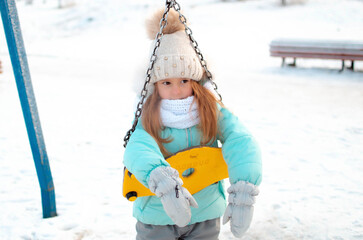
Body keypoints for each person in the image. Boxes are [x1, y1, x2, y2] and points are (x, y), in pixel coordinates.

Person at [123, 9, 262, 240]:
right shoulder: (148, 116)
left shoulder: (210, 111)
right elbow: (138, 148)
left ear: (195, 81)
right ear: (155, 86)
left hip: (205, 214)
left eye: (184, 81)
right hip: (156, 216)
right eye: (167, 82)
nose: (177, 90)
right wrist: (164, 183)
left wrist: (244, 191)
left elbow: (241, 140)